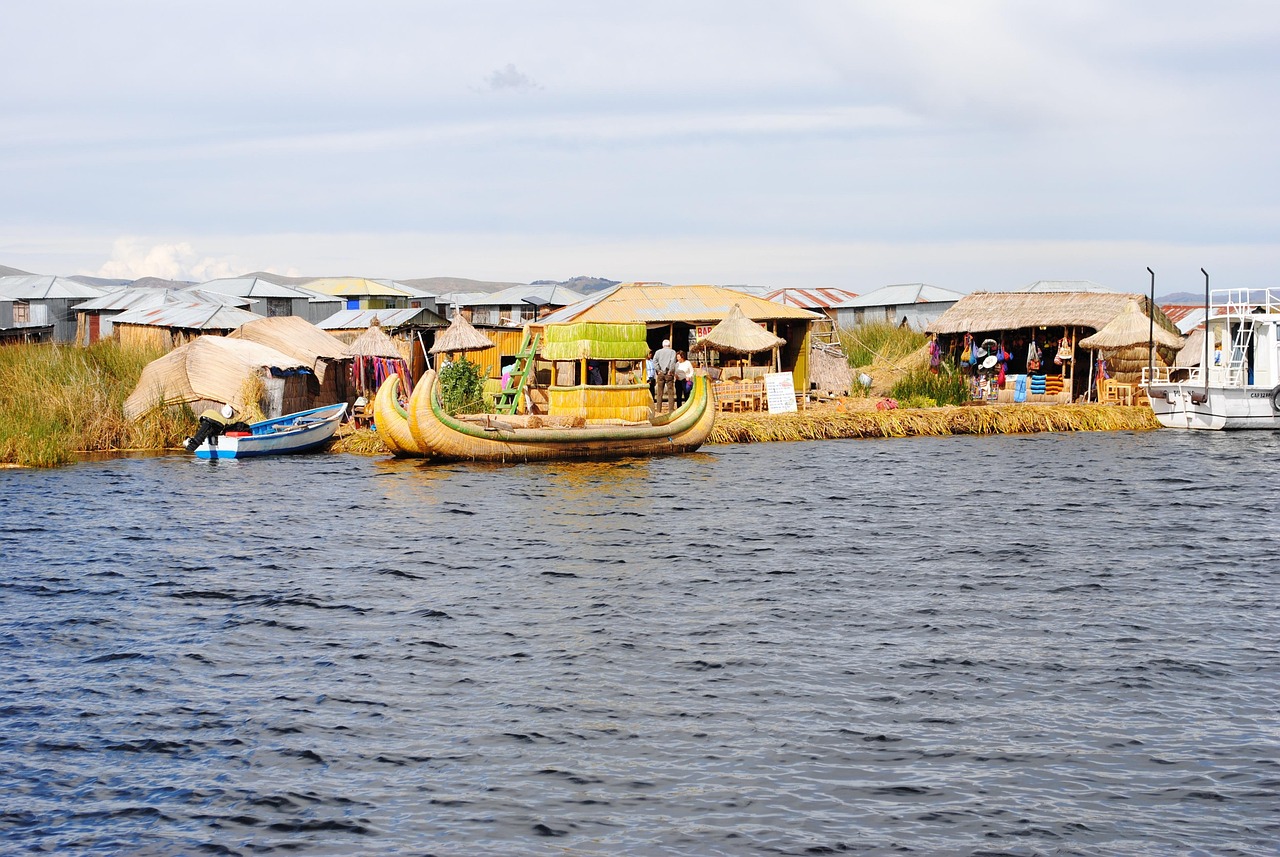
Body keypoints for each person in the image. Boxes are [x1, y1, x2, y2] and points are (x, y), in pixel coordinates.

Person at [185, 404, 251, 453]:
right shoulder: (224, 421)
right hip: (213, 422)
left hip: (205, 417)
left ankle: (189, 450)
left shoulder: (216, 415)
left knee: (201, 435)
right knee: (200, 436)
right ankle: (190, 450)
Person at [653, 339, 678, 412]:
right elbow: (672, 362)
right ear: (669, 345)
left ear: (662, 345)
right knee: (670, 392)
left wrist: (658, 370)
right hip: (668, 374)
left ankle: (658, 409)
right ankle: (670, 410)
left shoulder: (658, 352)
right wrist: (671, 371)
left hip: (660, 374)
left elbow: (654, 361)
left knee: (659, 392)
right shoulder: (672, 352)